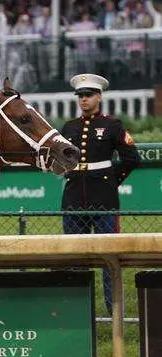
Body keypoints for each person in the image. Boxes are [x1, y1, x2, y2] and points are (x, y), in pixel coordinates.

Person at [61, 74, 141, 314]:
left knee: (110, 259)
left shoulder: (112, 125)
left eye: (88, 95)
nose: (84, 100)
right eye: (81, 96)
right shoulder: (70, 127)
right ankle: (79, 312)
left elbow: (131, 158)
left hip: (104, 200)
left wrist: (111, 181)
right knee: (75, 259)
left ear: (99, 97)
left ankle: (114, 310)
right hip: (74, 198)